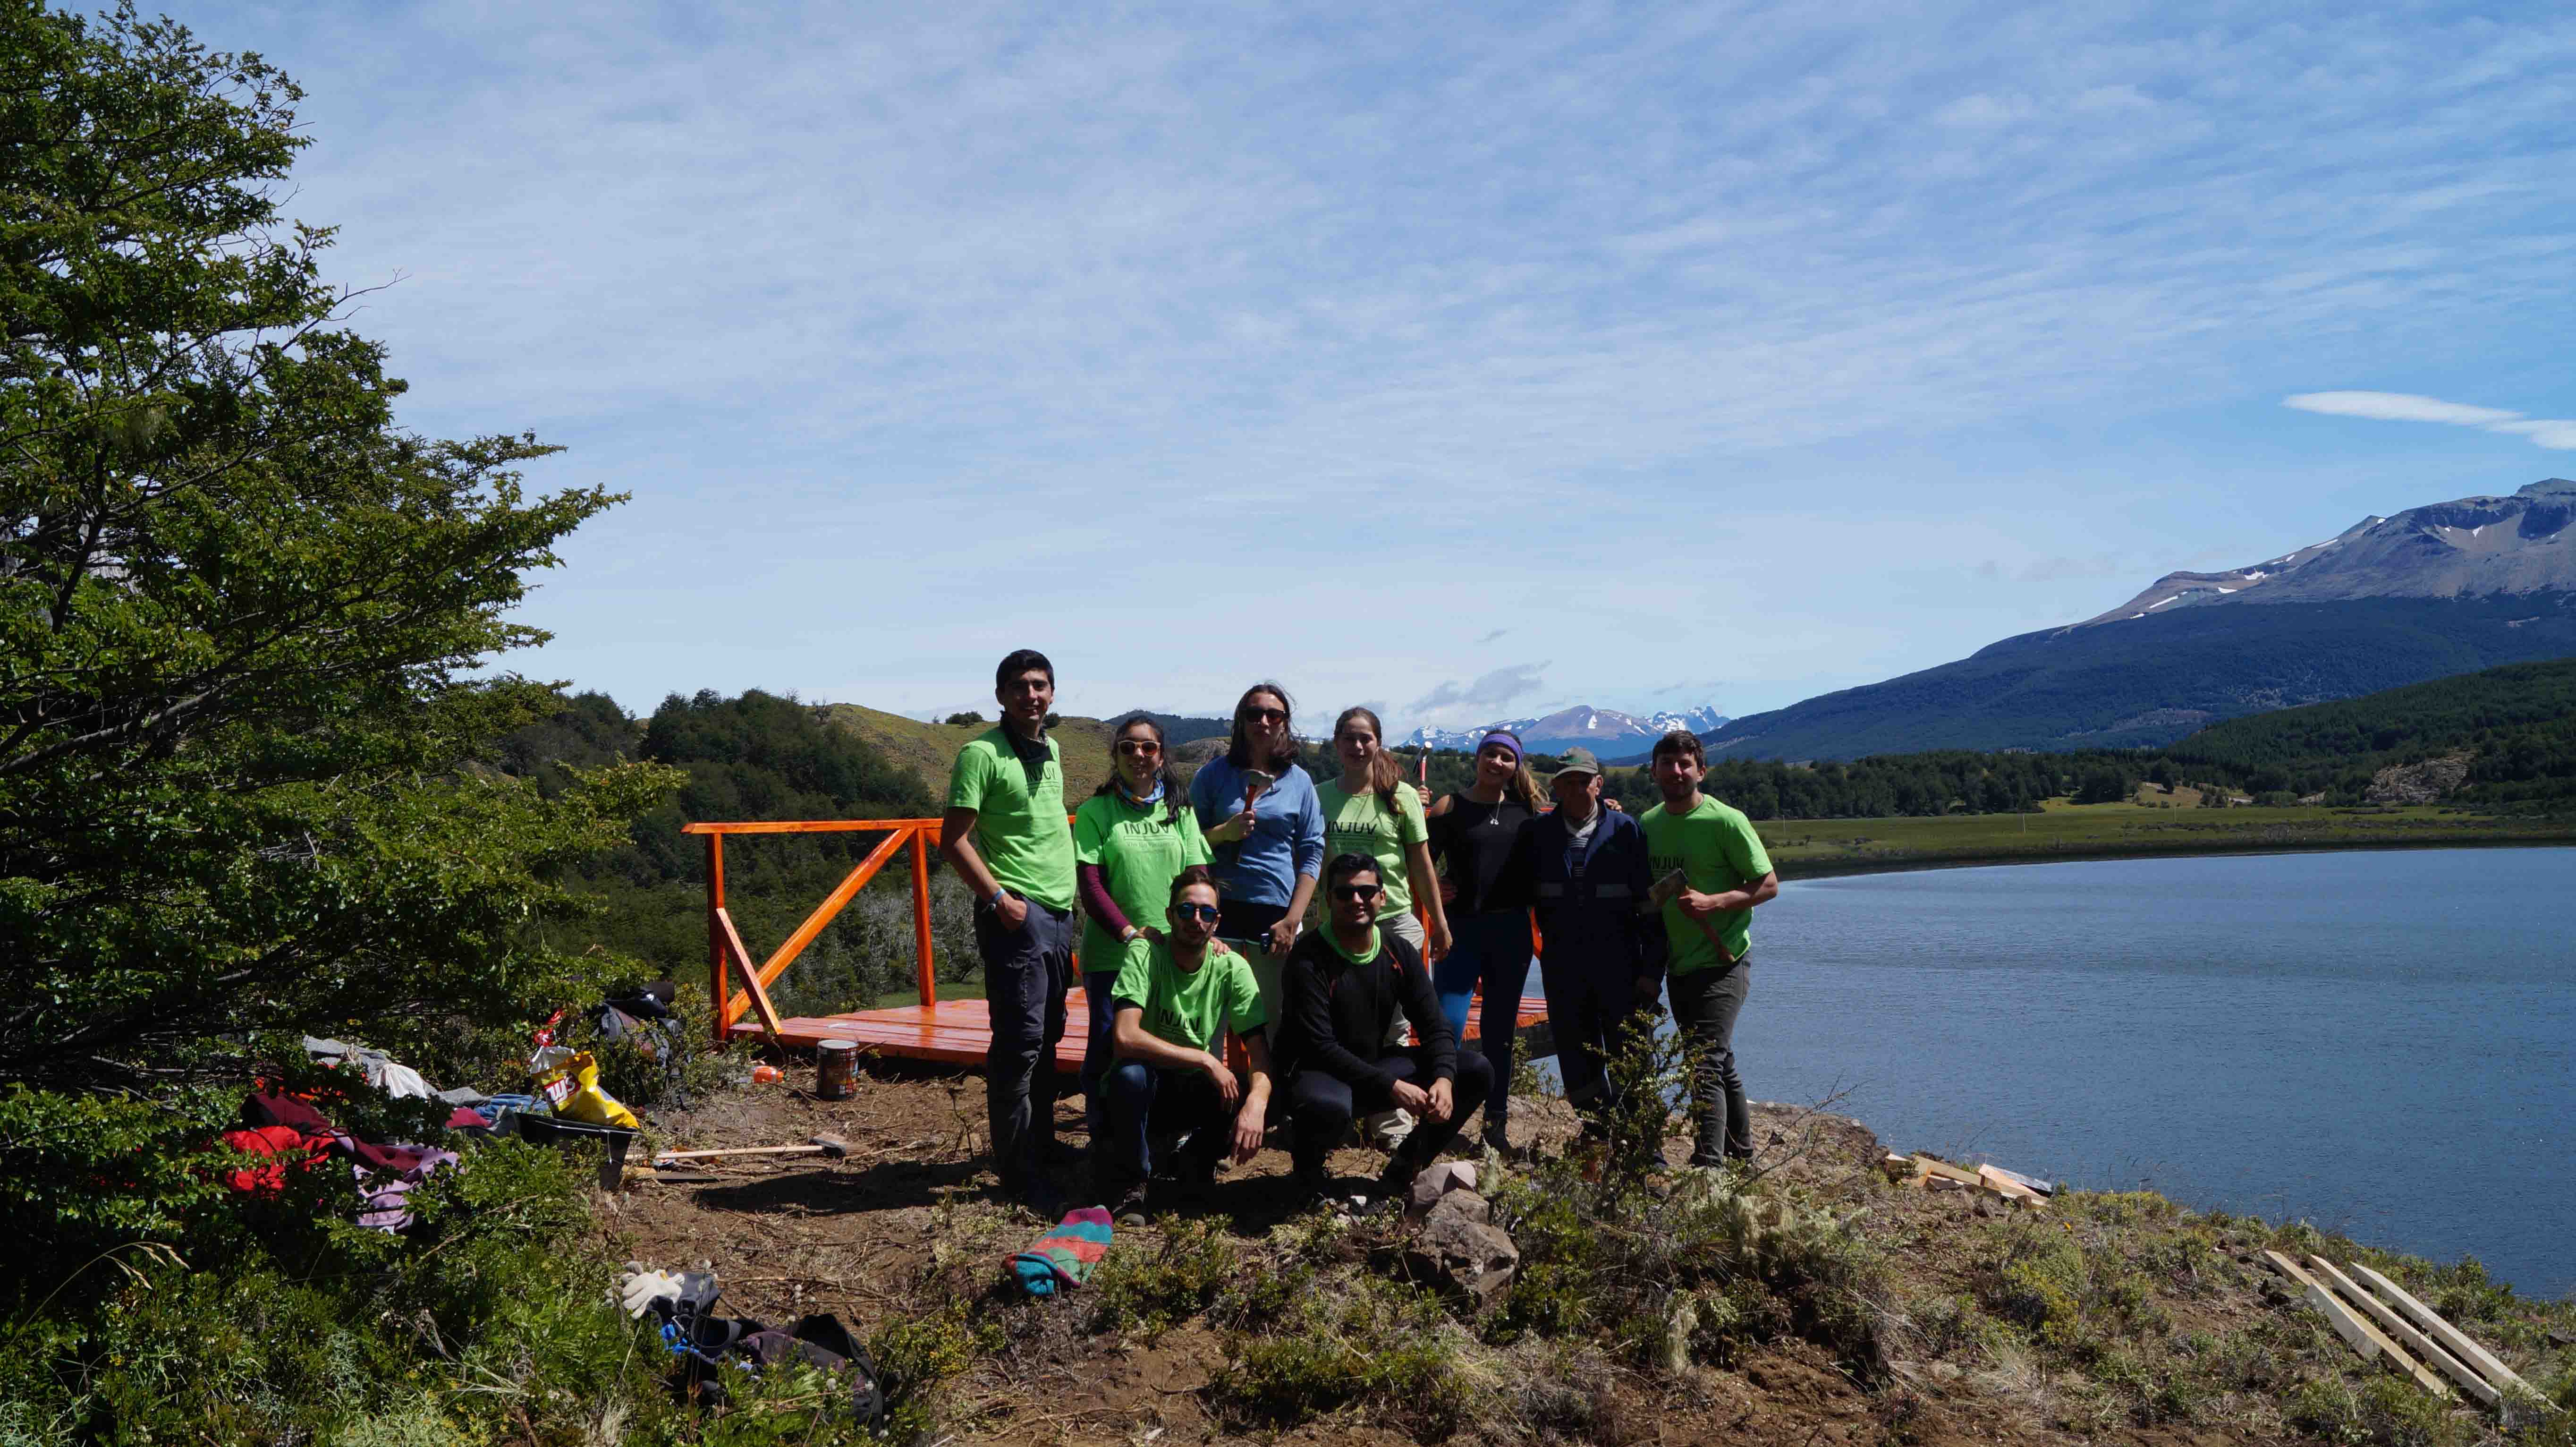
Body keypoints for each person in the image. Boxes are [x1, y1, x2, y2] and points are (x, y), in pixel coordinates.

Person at [940, 649, 1079, 1214]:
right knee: (1019, 1043)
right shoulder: (980, 754)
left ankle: (1039, 1145)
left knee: (1048, 1036)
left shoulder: (1054, 749)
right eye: (1019, 686)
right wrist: (999, 900)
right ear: (1000, 695)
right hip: (1017, 915)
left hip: (1060, 914)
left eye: (1040, 685)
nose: (1031, 695)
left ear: (1052, 692)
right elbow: (952, 840)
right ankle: (1019, 1173)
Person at [1276, 852, 1494, 1204]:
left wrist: (1443, 1078)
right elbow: (1320, 1047)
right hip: (1316, 1073)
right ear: (1329, 900)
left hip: (1371, 1068)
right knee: (1327, 1106)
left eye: (1366, 892)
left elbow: (1435, 1026)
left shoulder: (1398, 951)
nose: (1356, 900)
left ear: (1383, 897)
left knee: (1475, 1070)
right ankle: (1308, 1174)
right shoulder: (1307, 957)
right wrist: (1392, 1086)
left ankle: (1404, 1170)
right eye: (1345, 893)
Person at [1499, 746, 1664, 1140]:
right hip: (1563, 970)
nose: (1576, 789)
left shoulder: (1626, 831)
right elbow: (1510, 894)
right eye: (1567, 782)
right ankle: (1598, 1134)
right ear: (1555, 788)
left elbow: (1650, 909)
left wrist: (1652, 972)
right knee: (1576, 1059)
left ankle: (1641, 1147)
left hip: (1622, 968)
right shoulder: (1536, 835)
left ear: (1598, 784)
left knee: (1631, 1057)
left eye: (1583, 781)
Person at [1094, 868, 1272, 1223]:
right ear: (1169, 915)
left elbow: (1260, 1054)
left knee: (1258, 1093)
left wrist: (1257, 1104)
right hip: (1150, 1086)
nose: (1196, 920)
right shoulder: (1146, 952)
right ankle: (1132, 1184)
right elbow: (1125, 1036)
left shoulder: (1232, 967)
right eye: (1186, 910)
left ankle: (1196, 1163)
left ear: (1217, 922)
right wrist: (1206, 1059)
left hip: (1194, 1089)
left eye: (1206, 913)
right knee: (1130, 1076)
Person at [1638, 731, 1779, 1167]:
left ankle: (1708, 1167)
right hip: (1678, 965)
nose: (1676, 772)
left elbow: (1768, 885)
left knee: (1704, 1064)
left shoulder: (1726, 821)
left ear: (1702, 770)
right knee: (1719, 1059)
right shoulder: (1648, 824)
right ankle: (1742, 1154)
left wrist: (1713, 903)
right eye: (1668, 764)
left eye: (1685, 764)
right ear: (1654, 771)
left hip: (1724, 961)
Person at [1072, 715, 1212, 1141]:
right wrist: (1129, 934)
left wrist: (1203, 929)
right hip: (1113, 955)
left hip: (1171, 954)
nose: (1139, 755)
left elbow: (1198, 876)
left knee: (1165, 1045)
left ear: (1161, 756)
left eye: (1148, 747)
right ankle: (1106, 1141)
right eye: (1128, 747)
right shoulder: (1096, 811)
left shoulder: (1180, 811)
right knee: (1108, 1047)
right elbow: (1090, 886)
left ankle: (1163, 1138)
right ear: (1115, 755)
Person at [1425, 729, 1545, 1154]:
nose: (1497, 763)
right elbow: (1417, 858)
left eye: (1506, 758)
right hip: (1461, 932)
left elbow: (1567, 833)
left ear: (1516, 766)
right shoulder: (1450, 806)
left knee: (1500, 1033)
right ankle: (1440, 1120)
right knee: (1449, 1026)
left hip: (1511, 933)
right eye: (1490, 754)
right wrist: (1435, 889)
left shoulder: (1529, 811)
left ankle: (1495, 1127)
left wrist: (1608, 807)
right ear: (1478, 758)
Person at [1186, 683, 1324, 1037]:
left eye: (1273, 715)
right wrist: (1223, 833)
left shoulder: (1300, 783)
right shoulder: (1212, 776)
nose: (1263, 721)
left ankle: (1270, 1077)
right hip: (1217, 911)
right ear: (1241, 721)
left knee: (1275, 1018)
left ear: (1284, 723)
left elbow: (1312, 851)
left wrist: (1293, 919)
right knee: (1209, 1018)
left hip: (1275, 915)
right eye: (1254, 714)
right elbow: (1186, 842)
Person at [1313, 706, 1450, 961]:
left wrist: (1440, 923)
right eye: (1349, 739)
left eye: (1365, 739)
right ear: (1337, 743)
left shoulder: (1403, 796)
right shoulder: (1318, 796)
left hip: (1393, 922)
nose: (1357, 746)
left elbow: (1422, 866)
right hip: (1337, 922)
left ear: (1378, 743)